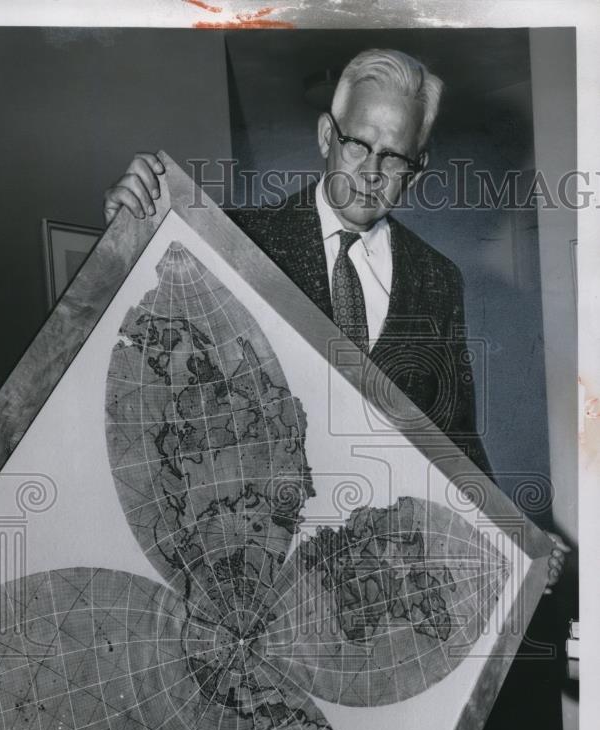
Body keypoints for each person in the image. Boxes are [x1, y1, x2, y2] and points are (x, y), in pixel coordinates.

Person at [103, 47, 568, 588]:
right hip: (243, 560)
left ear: (419, 169)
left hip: (365, 583)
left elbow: (454, 440)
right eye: (357, 144)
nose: (371, 172)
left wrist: (512, 534)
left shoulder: (439, 280)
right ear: (327, 135)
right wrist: (123, 239)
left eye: (395, 157)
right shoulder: (235, 241)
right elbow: (149, 361)